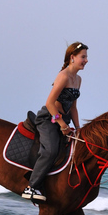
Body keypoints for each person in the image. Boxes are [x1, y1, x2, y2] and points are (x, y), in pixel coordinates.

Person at [22, 41, 88, 203]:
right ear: (72, 57)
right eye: (83, 57)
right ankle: (31, 187)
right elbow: (50, 103)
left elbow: (73, 107)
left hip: (63, 120)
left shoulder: (78, 80)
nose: (86, 60)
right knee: (50, 150)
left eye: (86, 57)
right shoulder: (63, 76)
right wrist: (62, 125)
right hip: (49, 119)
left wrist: (78, 128)